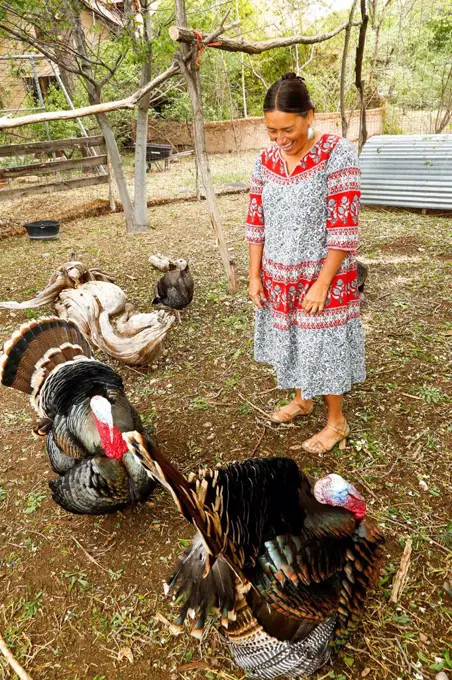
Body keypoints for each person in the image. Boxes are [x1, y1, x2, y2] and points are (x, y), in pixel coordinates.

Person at [246, 72, 365, 454]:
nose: (280, 139)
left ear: (309, 115)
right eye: (271, 131)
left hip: (322, 272)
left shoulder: (337, 152)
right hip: (279, 273)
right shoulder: (266, 161)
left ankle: (336, 422)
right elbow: (255, 221)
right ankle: (303, 400)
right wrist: (254, 275)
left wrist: (323, 283)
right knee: (295, 338)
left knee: (324, 343)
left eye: (288, 129)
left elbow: (344, 224)